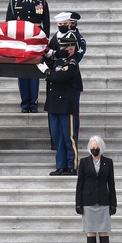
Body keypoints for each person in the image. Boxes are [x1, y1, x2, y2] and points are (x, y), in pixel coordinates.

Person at [5, 0, 49, 112]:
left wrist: (45, 40)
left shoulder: (41, 1)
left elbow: (46, 23)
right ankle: (25, 103)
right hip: (20, 40)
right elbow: (9, 23)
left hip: (36, 40)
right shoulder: (14, 2)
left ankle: (34, 103)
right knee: (22, 71)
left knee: (35, 70)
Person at [75, 135, 117, 243]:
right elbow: (79, 184)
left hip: (103, 200)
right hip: (88, 201)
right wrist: (78, 203)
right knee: (91, 232)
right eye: (92, 147)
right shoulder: (84, 162)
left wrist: (113, 203)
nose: (94, 150)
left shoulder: (108, 162)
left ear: (101, 148)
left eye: (97, 147)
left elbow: (111, 183)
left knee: (104, 232)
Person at [41, 31, 80, 176]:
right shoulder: (58, 62)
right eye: (62, 47)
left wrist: (48, 72)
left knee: (68, 137)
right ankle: (61, 165)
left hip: (65, 105)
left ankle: (72, 165)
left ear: (72, 48)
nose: (65, 49)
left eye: (68, 47)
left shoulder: (72, 63)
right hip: (53, 105)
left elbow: (61, 76)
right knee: (57, 138)